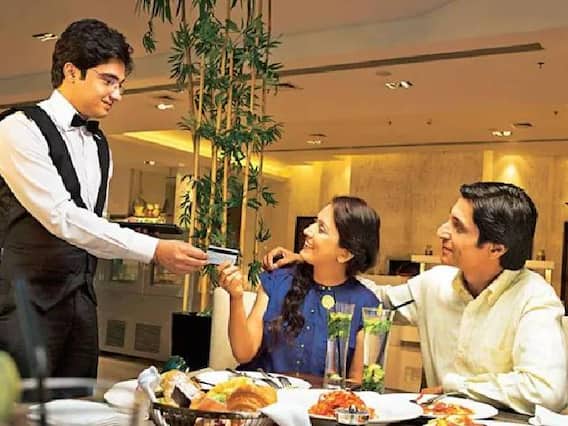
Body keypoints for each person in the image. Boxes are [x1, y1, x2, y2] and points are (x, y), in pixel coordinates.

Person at [0, 19, 207, 379]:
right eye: (108, 81)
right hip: (23, 307)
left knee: (79, 405)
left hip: (82, 304)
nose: (117, 94)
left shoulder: (100, 145)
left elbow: (95, 226)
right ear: (71, 72)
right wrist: (154, 250)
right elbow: (61, 216)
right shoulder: (17, 128)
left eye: (120, 84)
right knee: (21, 406)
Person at [264, 182, 568, 415]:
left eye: (458, 227)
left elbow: (547, 390)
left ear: (496, 248)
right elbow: (370, 300)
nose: (442, 231)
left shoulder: (535, 298)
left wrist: (455, 387)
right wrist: (317, 261)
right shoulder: (435, 284)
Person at [217, 196, 380, 383]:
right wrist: (236, 297)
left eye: (321, 229)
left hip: (320, 400)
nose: (307, 231)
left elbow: (357, 384)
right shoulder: (278, 279)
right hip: (264, 394)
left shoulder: (366, 306)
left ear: (344, 254)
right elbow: (243, 353)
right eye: (314, 222)